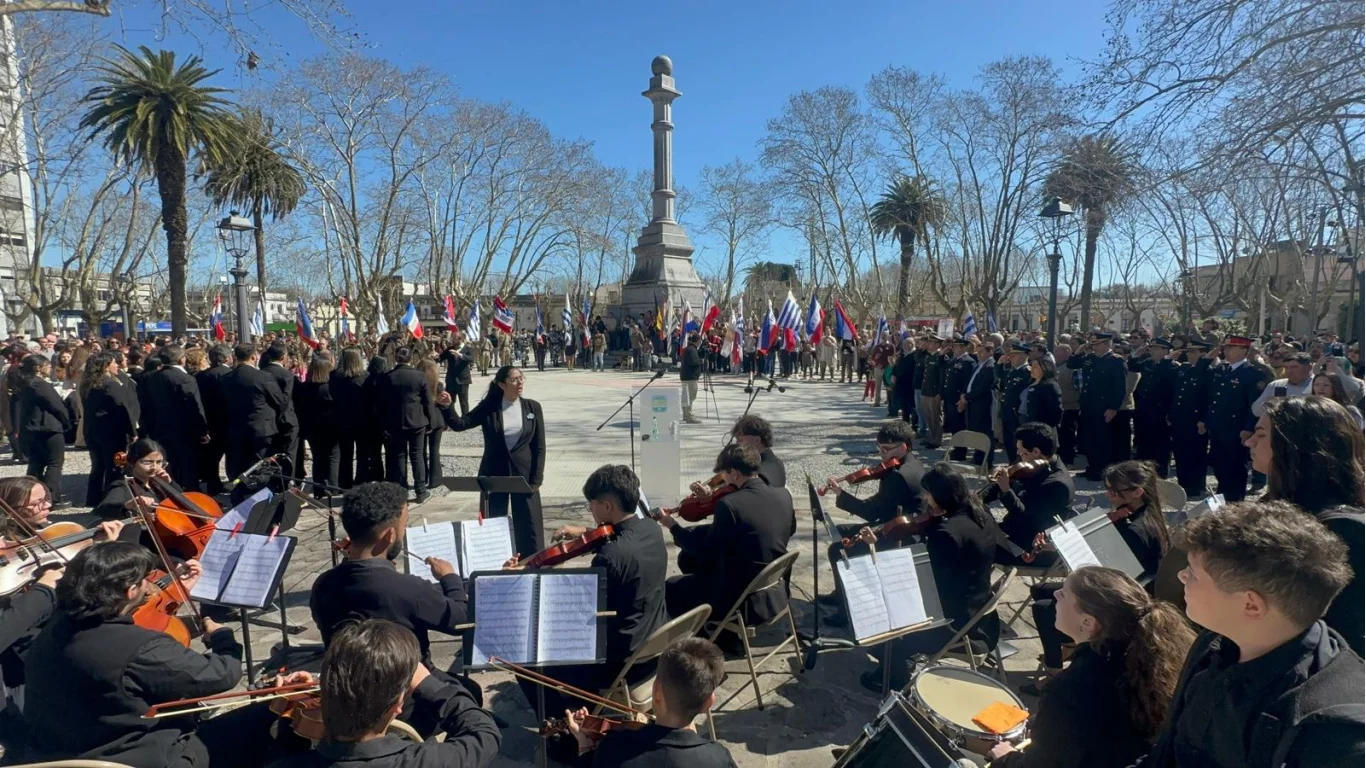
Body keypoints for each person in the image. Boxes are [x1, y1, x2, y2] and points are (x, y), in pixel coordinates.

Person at [20, 541, 288, 767]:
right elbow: (222, 675)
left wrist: (178, 592)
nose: (151, 587)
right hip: (144, 758)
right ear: (130, 591)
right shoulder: (139, 647)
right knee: (271, 718)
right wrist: (223, 639)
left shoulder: (54, 626)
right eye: (145, 581)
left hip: (64, 755)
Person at [1142, 502, 1366, 767]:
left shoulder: (1333, 733)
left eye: (1193, 573)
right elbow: (1166, 755)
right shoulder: (1216, 642)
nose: (1180, 576)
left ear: (1250, 604)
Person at [987, 566, 1196, 768]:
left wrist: (1004, 758)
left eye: (1065, 595)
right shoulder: (1152, 662)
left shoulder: (1068, 688)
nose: (1056, 594)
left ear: (1088, 622)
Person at [514, 465, 667, 718]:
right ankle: (580, 697)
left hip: (620, 662)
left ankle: (564, 731)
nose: (590, 510)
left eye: (591, 504)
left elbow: (581, 614)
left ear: (607, 506)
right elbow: (616, 535)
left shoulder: (610, 556)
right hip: (652, 646)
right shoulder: (651, 529)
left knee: (525, 661)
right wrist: (582, 532)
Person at [265, 619, 500, 768]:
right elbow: (483, 732)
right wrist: (427, 683)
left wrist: (288, 714)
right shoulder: (424, 761)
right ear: (397, 705)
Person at [859, 462, 1002, 692]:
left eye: (928, 494)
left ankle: (894, 674)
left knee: (886, 606)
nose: (925, 499)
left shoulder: (947, 533)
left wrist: (885, 559)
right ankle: (896, 655)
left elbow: (927, 583)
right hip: (979, 609)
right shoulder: (980, 514)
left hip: (953, 624)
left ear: (940, 495)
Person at [310, 482, 470, 678]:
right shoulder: (410, 589)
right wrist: (450, 578)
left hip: (350, 684)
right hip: (407, 687)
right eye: (404, 524)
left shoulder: (323, 584)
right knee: (471, 689)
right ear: (389, 535)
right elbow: (462, 622)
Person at [1247, 396, 1366, 656]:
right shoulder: (1283, 507)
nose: (1249, 442)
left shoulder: (1345, 531)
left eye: (1260, 434)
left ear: (1295, 445)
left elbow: (1345, 639)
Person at [0, 477, 122, 713]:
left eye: (47, 498)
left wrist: (101, 549)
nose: (47, 506)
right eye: (37, 503)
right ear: (10, 510)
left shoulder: (49, 534)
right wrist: (44, 588)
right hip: (24, 656)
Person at [658, 444, 793, 632]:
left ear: (735, 473)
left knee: (670, 587)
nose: (724, 481)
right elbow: (787, 529)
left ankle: (710, 636)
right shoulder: (783, 494)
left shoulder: (729, 504)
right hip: (774, 591)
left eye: (725, 475)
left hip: (741, 599)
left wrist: (672, 526)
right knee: (687, 560)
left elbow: (706, 555)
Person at [564, 637, 737, 768]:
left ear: (656, 692)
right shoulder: (719, 759)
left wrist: (585, 748)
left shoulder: (613, 748)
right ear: (709, 703)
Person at [438, 366, 546, 557]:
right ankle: (495, 558)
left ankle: (532, 562)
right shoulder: (489, 407)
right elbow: (460, 424)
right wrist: (447, 407)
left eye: (521, 378)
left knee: (529, 524)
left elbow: (539, 446)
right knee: (494, 521)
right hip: (495, 473)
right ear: (502, 384)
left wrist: (536, 479)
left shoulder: (532, 407)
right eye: (514, 379)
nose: (520, 383)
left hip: (525, 475)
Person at [985, 422, 1076, 566]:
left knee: (974, 547)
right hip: (1015, 531)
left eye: (1022, 452)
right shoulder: (1029, 460)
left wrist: (1006, 491)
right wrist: (976, 499)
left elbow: (1028, 520)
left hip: (1031, 548)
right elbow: (1002, 482)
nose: (1018, 455)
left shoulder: (1057, 484)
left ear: (1036, 451)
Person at [1200, 336, 1271, 501]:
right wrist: (1206, 419)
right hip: (1218, 427)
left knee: (1235, 468)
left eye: (1231, 348)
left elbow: (1254, 406)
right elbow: (1209, 393)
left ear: (1244, 351)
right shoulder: (1221, 370)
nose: (1226, 351)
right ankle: (1222, 499)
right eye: (1225, 348)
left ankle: (1234, 502)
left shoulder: (1253, 374)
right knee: (1219, 466)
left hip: (1237, 429)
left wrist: (1248, 428)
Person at [221, 343, 288, 494]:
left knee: (238, 465)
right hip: (261, 429)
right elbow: (280, 401)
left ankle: (239, 494)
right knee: (261, 466)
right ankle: (260, 495)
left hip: (235, 429)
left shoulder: (226, 378)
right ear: (254, 356)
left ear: (235, 357)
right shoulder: (262, 376)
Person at [142, 345, 208, 491]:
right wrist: (202, 430)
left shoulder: (151, 377)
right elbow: (194, 407)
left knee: (168, 465)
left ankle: (171, 492)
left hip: (160, 428)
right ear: (181, 359)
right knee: (188, 465)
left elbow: (146, 405)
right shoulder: (185, 379)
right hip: (184, 431)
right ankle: (192, 495)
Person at [377, 346, 432, 504]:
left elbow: (381, 403)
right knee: (417, 455)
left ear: (395, 358)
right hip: (417, 421)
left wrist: (383, 423)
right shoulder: (419, 376)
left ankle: (402, 490)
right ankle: (420, 490)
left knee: (399, 456)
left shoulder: (387, 377)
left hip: (395, 421)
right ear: (410, 359)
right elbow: (427, 401)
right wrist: (430, 421)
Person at [81, 351, 136, 506]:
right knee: (114, 466)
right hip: (111, 431)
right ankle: (112, 499)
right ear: (106, 366)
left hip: (93, 430)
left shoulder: (87, 384)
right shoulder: (110, 384)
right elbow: (122, 408)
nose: (117, 365)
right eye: (114, 362)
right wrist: (132, 432)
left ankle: (93, 498)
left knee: (98, 466)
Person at [1069, 332, 1127, 481]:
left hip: (1104, 406)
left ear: (1107, 344)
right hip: (1088, 404)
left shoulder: (1116, 361)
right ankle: (1092, 467)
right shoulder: (1090, 359)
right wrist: (1079, 350)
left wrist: (1113, 407)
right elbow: (1072, 364)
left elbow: (1119, 387)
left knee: (1102, 440)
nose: (1094, 347)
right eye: (1093, 344)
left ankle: (1102, 470)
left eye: (1097, 344)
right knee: (1088, 439)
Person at [16, 355, 70, 507]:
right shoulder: (40, 384)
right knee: (55, 463)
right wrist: (66, 422)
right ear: (38, 368)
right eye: (47, 365)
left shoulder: (24, 384)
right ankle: (52, 497)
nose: (50, 368)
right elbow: (57, 405)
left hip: (31, 429)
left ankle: (30, 497)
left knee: (36, 463)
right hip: (48, 427)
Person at [1129, 338, 1178, 476]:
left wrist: (1170, 414)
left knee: (1161, 446)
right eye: (1152, 348)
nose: (1152, 351)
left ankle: (1160, 474)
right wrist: (1136, 354)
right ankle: (1143, 473)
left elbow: (1174, 392)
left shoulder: (1173, 367)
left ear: (1166, 351)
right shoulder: (1148, 363)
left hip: (1161, 412)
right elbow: (1133, 366)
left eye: (1156, 349)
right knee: (1143, 443)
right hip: (1144, 410)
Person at [296, 351, 340, 492]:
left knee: (318, 457)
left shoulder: (304, 388)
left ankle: (318, 488)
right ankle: (332, 487)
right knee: (333, 457)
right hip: (331, 427)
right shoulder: (331, 388)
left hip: (311, 428)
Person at [194, 344, 233, 496]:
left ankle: (213, 485)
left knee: (212, 458)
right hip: (228, 422)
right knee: (232, 455)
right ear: (227, 358)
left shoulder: (200, 376)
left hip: (209, 422)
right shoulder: (231, 374)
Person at [329, 347, 369, 489]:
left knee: (345, 455)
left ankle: (344, 482)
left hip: (341, 419)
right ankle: (361, 481)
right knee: (362, 453)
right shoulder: (365, 377)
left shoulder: (334, 376)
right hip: (361, 420)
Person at [728, 414, 785, 489]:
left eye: (740, 440)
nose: (737, 444)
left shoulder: (755, 473)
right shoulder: (778, 462)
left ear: (757, 440)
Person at [1251, 351, 1314, 418]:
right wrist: (1270, 403)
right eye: (1286, 367)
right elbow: (1256, 411)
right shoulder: (1276, 385)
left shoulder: (1319, 385)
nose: (1289, 371)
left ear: (1309, 367)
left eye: (1294, 367)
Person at [1001, 342, 1034, 464]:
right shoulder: (1012, 371)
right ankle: (1012, 464)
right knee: (1008, 441)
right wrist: (1000, 365)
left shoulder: (1027, 372)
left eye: (1015, 355)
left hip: (1017, 412)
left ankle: (1019, 466)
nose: (1011, 358)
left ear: (1024, 356)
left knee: (1018, 442)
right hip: (1007, 410)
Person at [417, 359, 446, 490]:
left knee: (421, 451)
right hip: (437, 419)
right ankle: (435, 479)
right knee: (435, 450)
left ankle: (422, 479)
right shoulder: (438, 385)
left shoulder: (417, 384)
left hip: (422, 418)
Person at [917, 334, 948, 448]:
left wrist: (940, 393)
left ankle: (936, 439)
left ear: (937, 344)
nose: (928, 344)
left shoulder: (941, 357)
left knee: (935, 416)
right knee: (928, 415)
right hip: (926, 390)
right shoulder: (928, 356)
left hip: (934, 392)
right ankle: (931, 436)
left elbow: (942, 377)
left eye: (930, 342)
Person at [1021, 355, 1063, 429]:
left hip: (1041, 428)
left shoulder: (1049, 386)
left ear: (1045, 368)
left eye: (1036, 367)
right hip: (1027, 425)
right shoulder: (1030, 383)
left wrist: (1046, 428)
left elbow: (1056, 410)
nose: (1032, 369)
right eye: (1031, 366)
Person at [438, 336, 476, 417]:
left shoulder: (468, 349)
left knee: (464, 402)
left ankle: (465, 420)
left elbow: (471, 358)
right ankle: (450, 420)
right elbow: (440, 358)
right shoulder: (450, 349)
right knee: (449, 401)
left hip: (463, 380)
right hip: (451, 380)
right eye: (452, 339)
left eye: (454, 339)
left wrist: (459, 354)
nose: (452, 340)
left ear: (460, 339)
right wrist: (435, 356)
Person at [680, 333, 703, 425]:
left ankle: (686, 415)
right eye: (700, 341)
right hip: (690, 377)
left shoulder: (689, 349)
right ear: (697, 341)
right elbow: (693, 362)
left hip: (686, 376)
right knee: (690, 396)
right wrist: (701, 361)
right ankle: (688, 416)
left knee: (686, 397)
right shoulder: (691, 350)